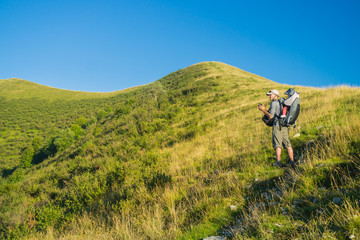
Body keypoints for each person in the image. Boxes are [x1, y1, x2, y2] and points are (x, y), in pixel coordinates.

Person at [258, 90, 298, 168]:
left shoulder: (274, 103)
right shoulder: (282, 103)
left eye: (270, 95)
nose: (269, 96)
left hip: (277, 125)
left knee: (277, 144)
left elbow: (271, 116)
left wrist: (263, 110)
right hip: (284, 124)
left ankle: (278, 162)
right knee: (287, 143)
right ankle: (292, 161)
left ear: (275, 95)